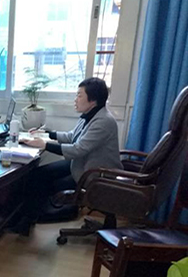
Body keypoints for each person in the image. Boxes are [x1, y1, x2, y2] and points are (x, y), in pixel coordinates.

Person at [13, 77, 123, 236]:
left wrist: (44, 145)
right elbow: (72, 136)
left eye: (79, 95)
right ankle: (24, 219)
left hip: (94, 175)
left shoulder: (103, 121)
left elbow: (78, 149)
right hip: (82, 165)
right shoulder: (90, 115)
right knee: (38, 174)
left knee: (43, 183)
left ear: (93, 100)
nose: (75, 99)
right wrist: (47, 133)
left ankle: (26, 221)